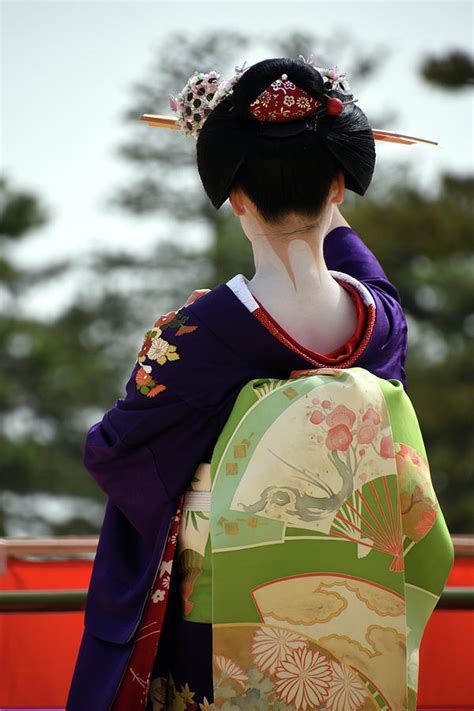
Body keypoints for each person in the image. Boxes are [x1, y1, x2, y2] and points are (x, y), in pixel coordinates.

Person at [67, 57, 453, 711]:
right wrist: (315, 179)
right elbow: (359, 261)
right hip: (351, 627)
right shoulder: (379, 325)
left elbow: (113, 448)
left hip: (220, 626)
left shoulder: (197, 334)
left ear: (233, 196)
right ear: (339, 186)